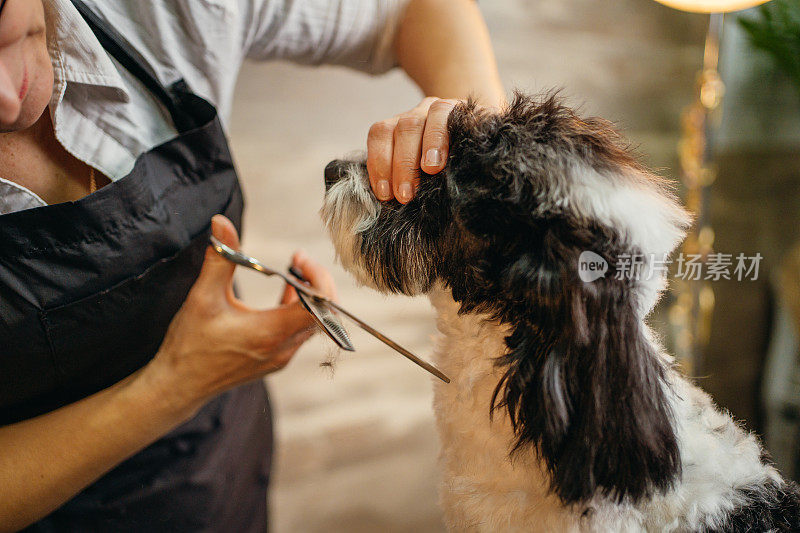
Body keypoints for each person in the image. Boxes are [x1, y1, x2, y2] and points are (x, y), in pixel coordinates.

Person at [0, 0, 504, 530]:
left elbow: (414, 11)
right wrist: (173, 386)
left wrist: (485, 148)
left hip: (223, 475)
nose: (8, 102)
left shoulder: (159, 12)